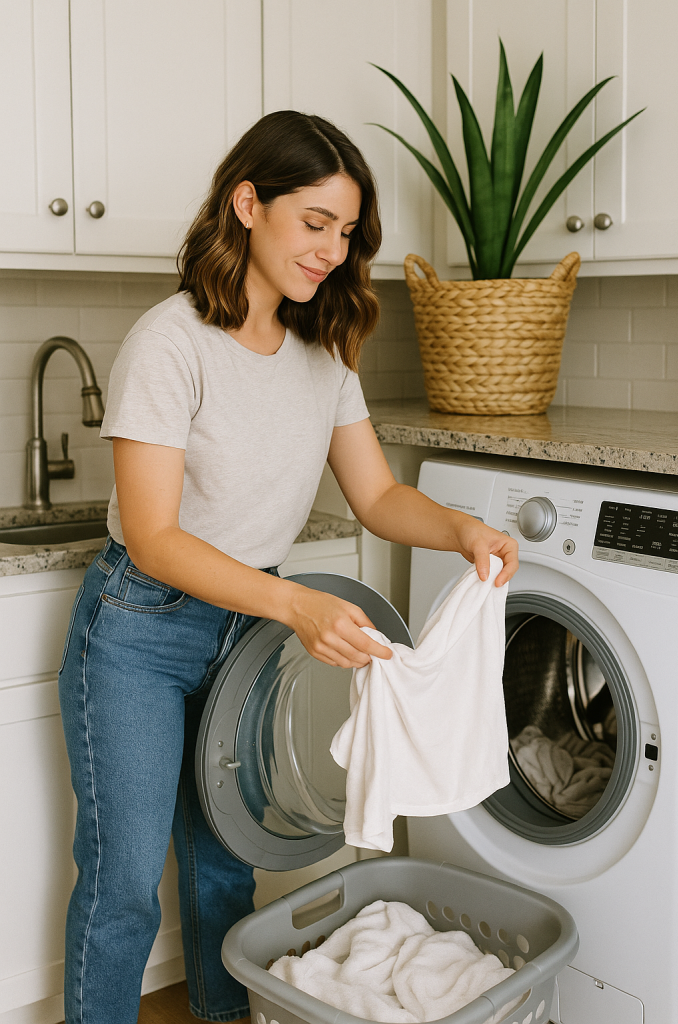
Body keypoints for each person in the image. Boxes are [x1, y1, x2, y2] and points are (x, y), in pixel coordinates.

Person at [58, 110, 518, 1024]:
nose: (331, 251)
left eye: (345, 233)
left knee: (228, 862)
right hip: (142, 631)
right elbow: (153, 537)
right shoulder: (170, 341)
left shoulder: (323, 350)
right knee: (122, 884)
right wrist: (295, 604)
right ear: (246, 204)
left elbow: (377, 497)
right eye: (314, 224)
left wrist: (459, 526)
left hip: (245, 630)